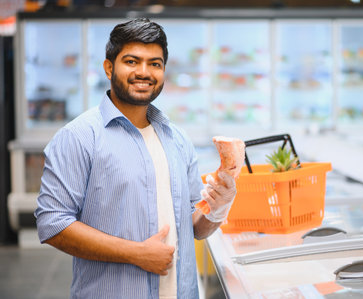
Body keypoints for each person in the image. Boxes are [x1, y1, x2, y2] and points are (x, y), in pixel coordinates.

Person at [34, 18, 236, 299]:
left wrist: (217, 209)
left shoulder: (178, 139)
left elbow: (194, 228)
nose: (144, 72)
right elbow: (52, 223)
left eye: (155, 64)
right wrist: (136, 254)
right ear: (108, 67)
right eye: (131, 61)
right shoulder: (79, 137)